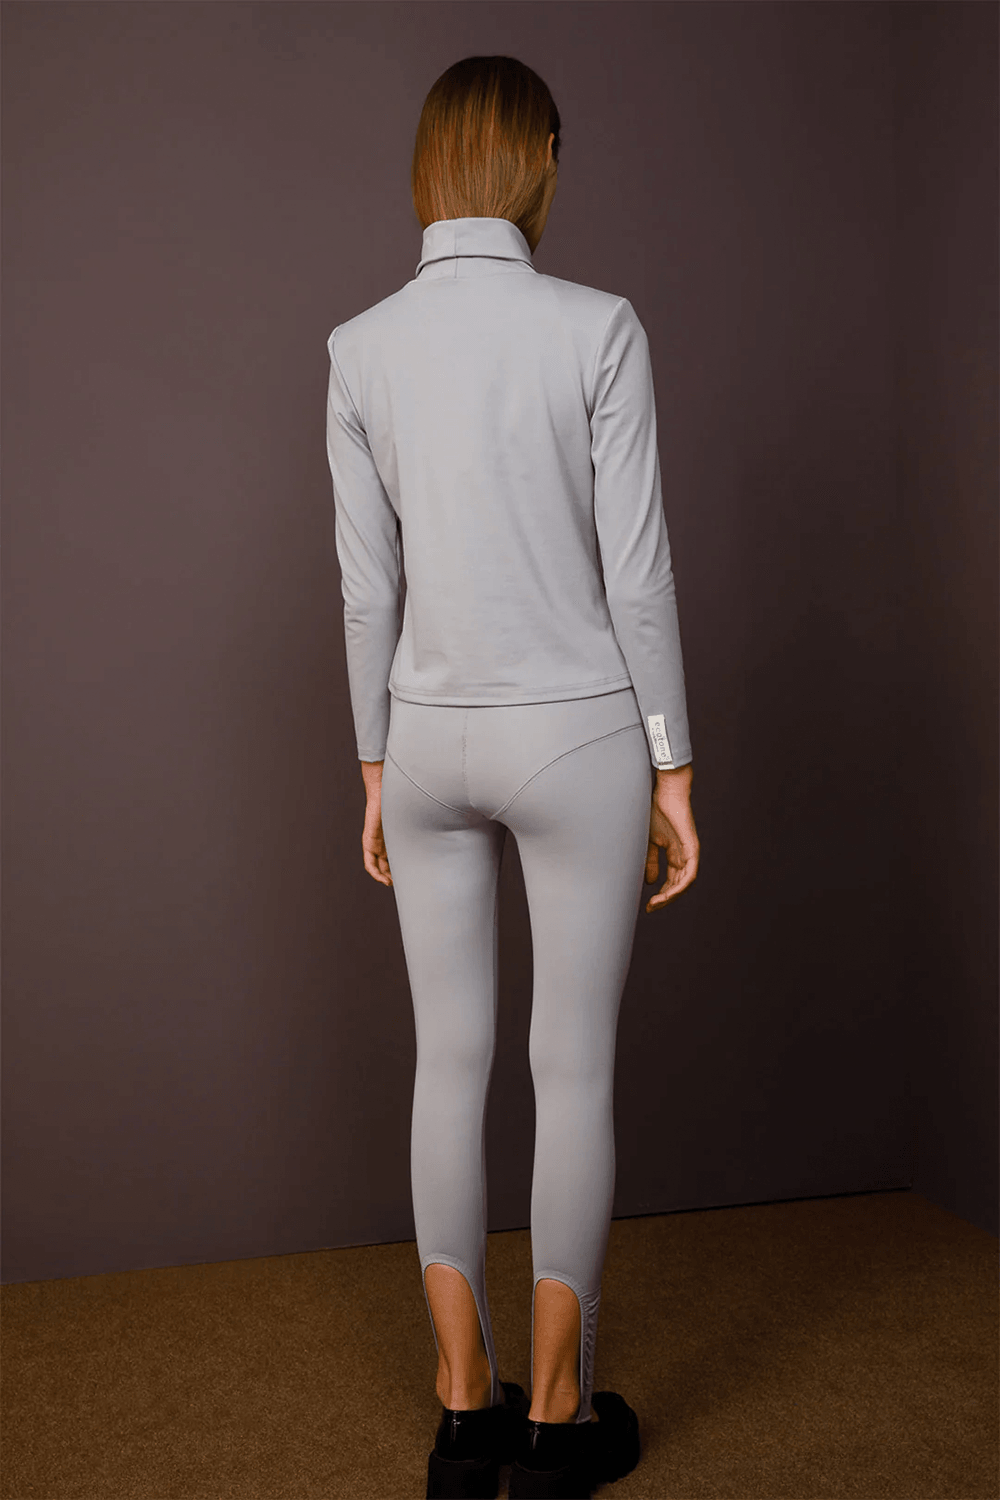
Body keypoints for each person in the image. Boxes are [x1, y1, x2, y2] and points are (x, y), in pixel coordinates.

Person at [325, 54, 700, 1500]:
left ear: (428, 165)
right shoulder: (597, 327)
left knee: (451, 1061)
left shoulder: (361, 344)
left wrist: (374, 765)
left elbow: (368, 589)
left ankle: (459, 1411)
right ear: (540, 156)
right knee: (571, 1066)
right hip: (578, 731)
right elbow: (638, 573)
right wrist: (673, 767)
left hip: (426, 737)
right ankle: (555, 1423)